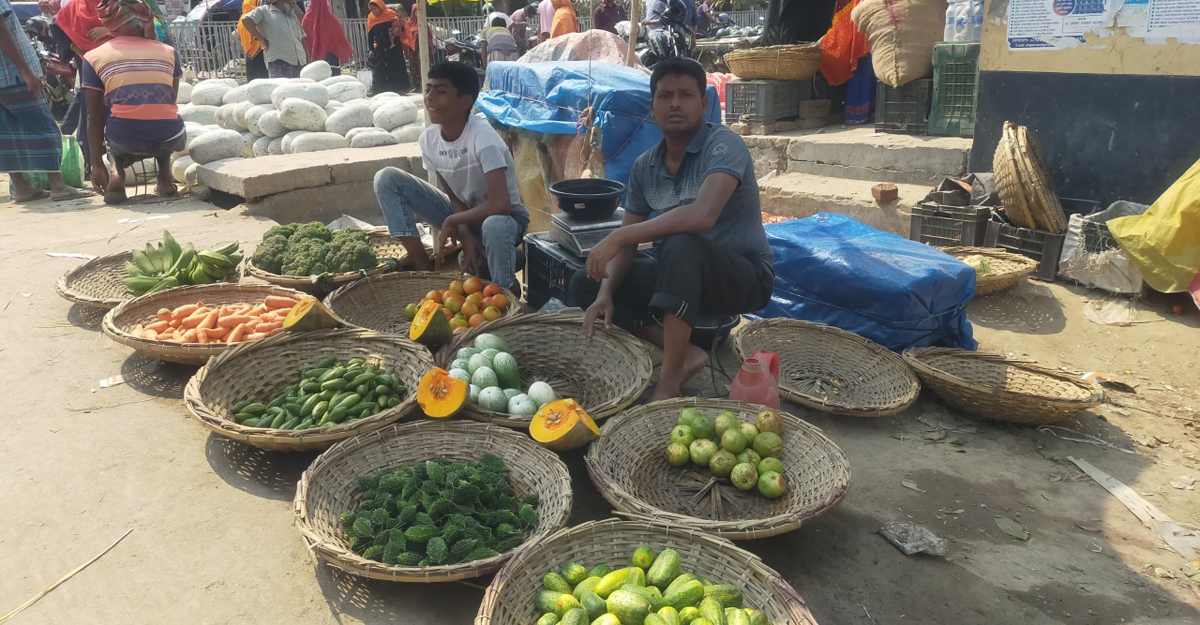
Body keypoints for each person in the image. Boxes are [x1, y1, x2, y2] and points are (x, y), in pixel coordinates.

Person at [568, 58, 774, 400]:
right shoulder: (644, 166)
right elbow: (630, 247)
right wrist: (605, 294)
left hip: (742, 278)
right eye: (665, 96)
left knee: (680, 244)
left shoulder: (723, 145)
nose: (675, 103)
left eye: (686, 95)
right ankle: (689, 353)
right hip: (680, 276)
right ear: (653, 106)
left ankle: (670, 379)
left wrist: (616, 235)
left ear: (704, 104)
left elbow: (702, 215)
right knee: (585, 282)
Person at [374, 61, 529, 293]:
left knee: (494, 225)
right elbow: (454, 196)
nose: (430, 97)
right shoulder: (428, 139)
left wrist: (453, 221)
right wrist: (465, 231)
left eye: (441, 91)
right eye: (427, 89)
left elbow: (501, 204)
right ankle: (424, 273)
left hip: (506, 221)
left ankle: (503, 293)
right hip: (465, 215)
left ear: (465, 101)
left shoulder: (483, 138)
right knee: (386, 179)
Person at [82, 0, 185, 203]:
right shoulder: (169, 52)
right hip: (170, 135)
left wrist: (96, 165)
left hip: (124, 138)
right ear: (144, 21)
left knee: (115, 118)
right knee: (162, 113)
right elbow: (170, 99)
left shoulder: (93, 57)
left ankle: (116, 170)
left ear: (108, 24)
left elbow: (94, 115)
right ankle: (165, 179)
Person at [0, 0, 86, 201]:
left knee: (6, 134)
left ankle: (22, 189)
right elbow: (2, 33)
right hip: (12, 75)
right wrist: (25, 71)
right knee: (45, 128)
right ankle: (58, 186)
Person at [242, 0, 306, 78]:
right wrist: (262, 41)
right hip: (278, 61)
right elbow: (246, 20)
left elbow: (302, 36)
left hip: (299, 61)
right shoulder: (264, 11)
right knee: (281, 88)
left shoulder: (291, 15)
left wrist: (307, 58)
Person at [365, 0, 408, 94]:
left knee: (396, 65)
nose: (373, 11)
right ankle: (379, 89)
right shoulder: (371, 18)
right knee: (380, 68)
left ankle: (400, 88)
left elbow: (400, 28)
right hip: (380, 47)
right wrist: (371, 49)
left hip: (394, 46)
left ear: (381, 7)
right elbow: (370, 36)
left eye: (375, 8)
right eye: (371, 9)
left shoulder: (391, 15)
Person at [301, 0, 351, 76]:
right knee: (333, 78)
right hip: (330, 54)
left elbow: (305, 39)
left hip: (315, 55)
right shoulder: (330, 18)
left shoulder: (307, 18)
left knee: (319, 77)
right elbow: (339, 36)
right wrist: (348, 49)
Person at [237, 0, 268, 80]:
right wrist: (262, 40)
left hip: (252, 52)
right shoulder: (249, 19)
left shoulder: (242, 18)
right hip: (260, 49)